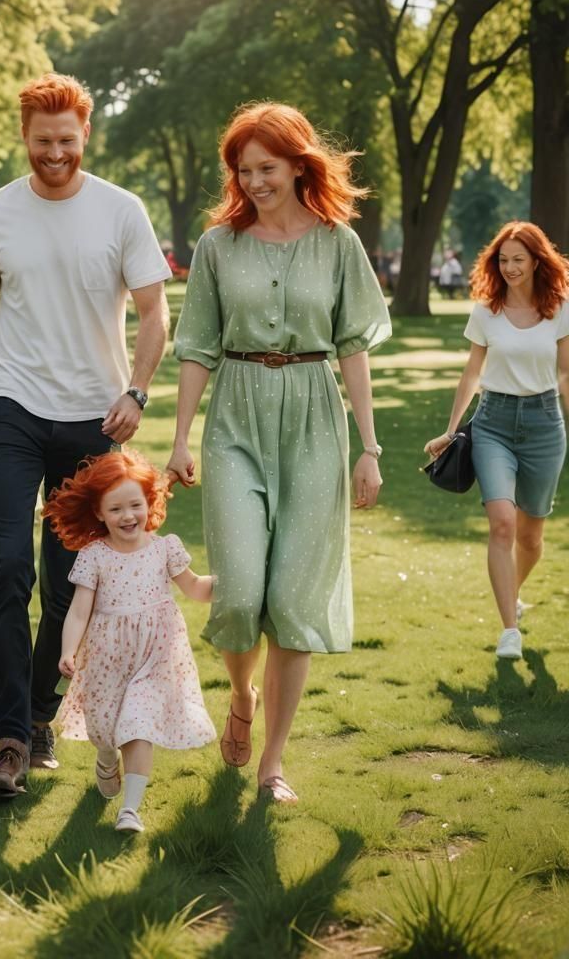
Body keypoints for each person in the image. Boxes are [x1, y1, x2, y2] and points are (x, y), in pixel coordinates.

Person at [166, 102, 391, 804]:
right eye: (244, 169)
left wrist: (369, 447)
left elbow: (352, 347)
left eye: (266, 167)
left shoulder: (338, 243)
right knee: (238, 593)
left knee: (293, 597)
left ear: (299, 164)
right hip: (235, 412)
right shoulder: (217, 245)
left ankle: (273, 764)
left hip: (315, 420)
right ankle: (241, 693)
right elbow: (198, 345)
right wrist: (178, 437)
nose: (255, 181)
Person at [0, 72, 171, 795]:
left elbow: (152, 310)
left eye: (68, 142)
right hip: (14, 406)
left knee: (66, 581)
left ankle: (44, 711)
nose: (55, 154)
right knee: (8, 569)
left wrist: (136, 390)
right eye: (43, 142)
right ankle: (11, 740)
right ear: (25, 139)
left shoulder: (120, 210)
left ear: (86, 137)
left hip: (95, 415)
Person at [42, 451, 216, 833]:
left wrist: (226, 583)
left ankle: (130, 810)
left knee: (138, 725)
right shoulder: (94, 556)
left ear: (149, 503)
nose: (128, 516)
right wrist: (68, 651)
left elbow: (196, 588)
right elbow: (78, 612)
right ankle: (106, 757)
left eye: (135, 505)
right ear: (100, 513)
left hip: (155, 653)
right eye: (116, 508)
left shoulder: (164, 548)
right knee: (104, 728)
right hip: (106, 655)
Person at [424, 221, 568, 660]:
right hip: (493, 423)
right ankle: (510, 630)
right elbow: (471, 373)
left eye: (518, 260)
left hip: (545, 424)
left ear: (537, 260)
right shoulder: (486, 310)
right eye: (503, 260)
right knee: (502, 522)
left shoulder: (559, 307)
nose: (509, 268)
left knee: (530, 534)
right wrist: (452, 430)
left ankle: (513, 594)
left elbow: (565, 372)